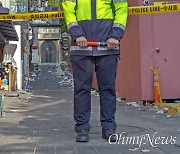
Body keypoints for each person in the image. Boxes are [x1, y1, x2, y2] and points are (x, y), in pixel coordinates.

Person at [62, 0, 128, 142]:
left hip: (108, 47)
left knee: (108, 89)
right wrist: (77, 34)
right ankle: (82, 129)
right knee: (81, 89)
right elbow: (68, 9)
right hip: (81, 47)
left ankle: (108, 127)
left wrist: (115, 35)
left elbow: (122, 9)